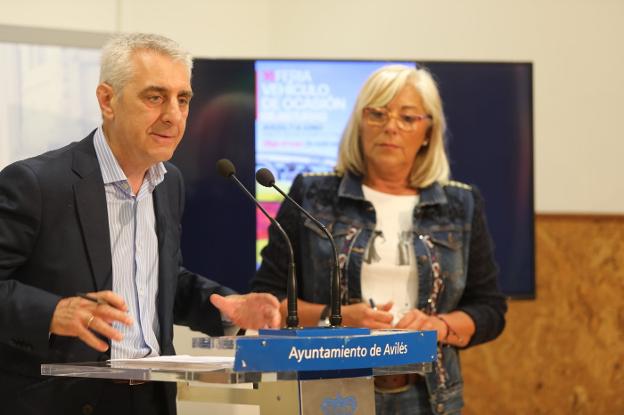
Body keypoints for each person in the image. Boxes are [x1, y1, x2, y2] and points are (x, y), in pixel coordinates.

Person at [0, 33, 280, 415]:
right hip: (61, 401)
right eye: (155, 97)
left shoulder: (169, 183)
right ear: (107, 100)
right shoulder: (37, 183)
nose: (173, 115)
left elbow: (157, 283)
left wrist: (225, 307)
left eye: (183, 99)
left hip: (151, 398)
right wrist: (52, 311)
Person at [252, 64, 507, 414]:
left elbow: (490, 309)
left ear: (428, 131)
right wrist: (336, 318)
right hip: (330, 393)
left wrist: (438, 326)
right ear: (360, 122)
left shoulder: (460, 205)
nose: (390, 127)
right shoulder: (312, 195)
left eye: (407, 118)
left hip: (429, 398)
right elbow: (269, 300)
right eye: (378, 114)